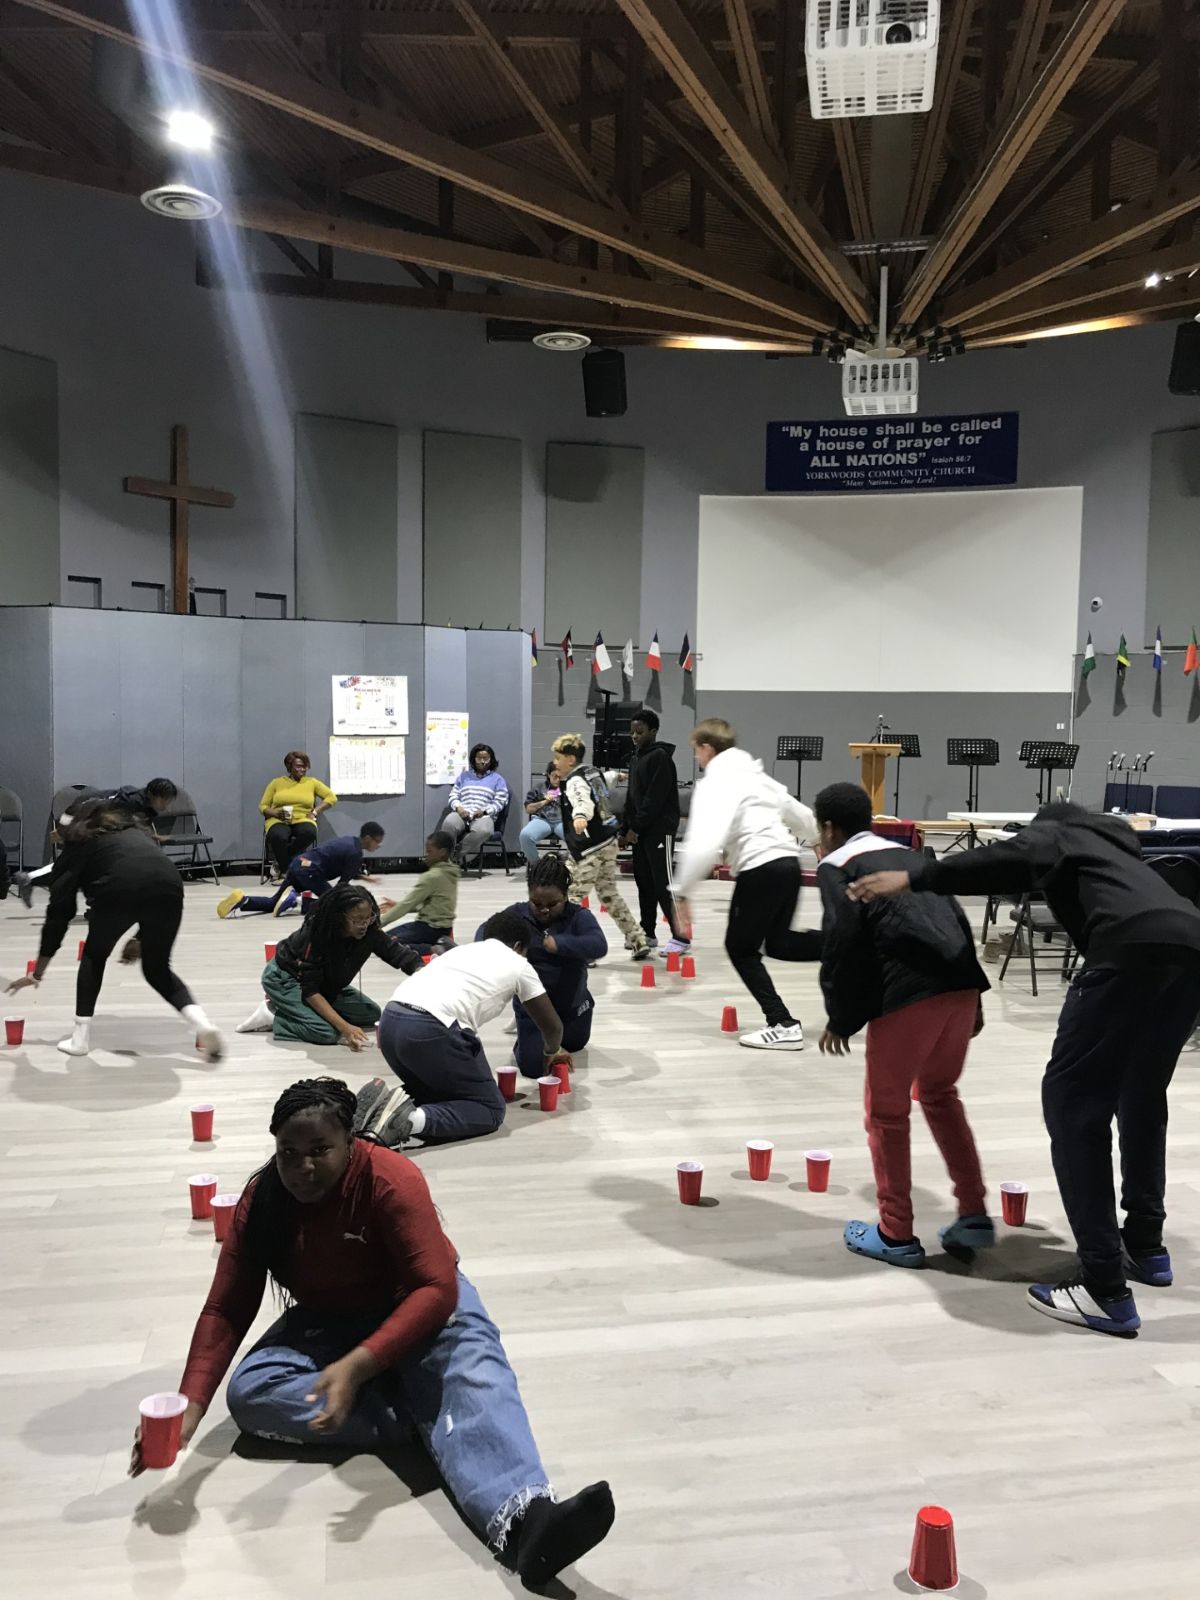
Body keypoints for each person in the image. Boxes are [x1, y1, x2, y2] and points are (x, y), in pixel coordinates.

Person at [130, 1076, 615, 1583]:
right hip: (330, 1318)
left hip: (419, 1306)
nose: (303, 1167)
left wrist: (358, 1366)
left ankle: (530, 1524)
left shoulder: (391, 1178)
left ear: (351, 1141)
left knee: (475, 1375)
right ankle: (423, 1413)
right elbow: (225, 1309)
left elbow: (436, 1288)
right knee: (253, 1394)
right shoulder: (264, 1200)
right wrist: (190, 1408)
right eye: (288, 1152)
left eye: (320, 1149)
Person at [849, 801, 1200, 1339]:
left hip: (1125, 951)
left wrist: (917, 874)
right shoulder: (1117, 846)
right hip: (1189, 948)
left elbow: (1002, 858)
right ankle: (1146, 1248)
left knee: (1072, 1108)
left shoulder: (1059, 834)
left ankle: (1103, 1288)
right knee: (1142, 1095)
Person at [812, 782, 992, 1268]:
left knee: (886, 1113)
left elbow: (843, 940)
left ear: (828, 828)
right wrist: (973, 1000)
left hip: (907, 997)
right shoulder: (911, 855)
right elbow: (954, 916)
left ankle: (895, 1233)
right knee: (938, 1094)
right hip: (959, 988)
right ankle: (973, 1212)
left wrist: (841, 1016)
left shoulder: (837, 865)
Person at [5, 803, 223, 1060]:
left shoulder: (78, 847)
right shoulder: (135, 832)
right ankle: (202, 1024)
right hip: (170, 883)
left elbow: (59, 916)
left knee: (94, 956)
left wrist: (37, 972)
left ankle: (80, 1038)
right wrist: (141, 936)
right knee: (157, 969)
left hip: (117, 888)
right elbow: (148, 877)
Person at [355, 908, 567, 1148]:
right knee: (490, 1109)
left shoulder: (461, 951)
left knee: (439, 1094)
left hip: (391, 1022)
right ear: (519, 945)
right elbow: (553, 1027)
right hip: (429, 1028)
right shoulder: (519, 964)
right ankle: (407, 1121)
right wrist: (552, 1052)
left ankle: (380, 1106)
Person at [673, 718, 819, 1050]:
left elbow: (704, 841)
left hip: (760, 868)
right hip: (788, 864)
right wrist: (815, 839)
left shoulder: (715, 782)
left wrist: (682, 890)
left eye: (697, 751)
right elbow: (800, 815)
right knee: (778, 943)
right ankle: (845, 945)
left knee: (740, 948)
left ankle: (782, 1023)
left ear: (707, 749)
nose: (698, 759)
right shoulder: (758, 777)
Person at [235, 884, 420, 1046]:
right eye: (357, 920)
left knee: (371, 1014)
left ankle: (302, 1013)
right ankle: (272, 1015)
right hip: (286, 977)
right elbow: (310, 991)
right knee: (326, 1033)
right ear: (339, 917)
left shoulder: (369, 932)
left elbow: (399, 955)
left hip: (325, 983)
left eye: (368, 918)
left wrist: (424, 972)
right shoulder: (317, 936)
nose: (364, 925)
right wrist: (345, 1027)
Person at [478, 856, 606, 1078]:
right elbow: (484, 932)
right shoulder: (518, 915)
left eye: (552, 904)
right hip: (534, 1011)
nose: (544, 910)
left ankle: (545, 1037)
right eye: (536, 904)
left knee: (576, 1045)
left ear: (565, 897)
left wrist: (562, 944)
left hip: (574, 1009)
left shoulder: (578, 916)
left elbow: (599, 946)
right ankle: (525, 1039)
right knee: (534, 1069)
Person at [551, 733, 650, 960]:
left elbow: (582, 800)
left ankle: (577, 949)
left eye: (558, 758)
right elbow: (605, 779)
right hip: (608, 842)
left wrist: (580, 817)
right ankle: (637, 939)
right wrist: (618, 775)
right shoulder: (591, 771)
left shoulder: (575, 780)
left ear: (571, 760)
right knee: (609, 894)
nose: (555, 763)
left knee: (572, 896)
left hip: (589, 849)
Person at [13, 777, 178, 905]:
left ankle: (29, 879)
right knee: (73, 865)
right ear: (153, 795)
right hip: (82, 822)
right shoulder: (130, 801)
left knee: (82, 865)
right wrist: (65, 829)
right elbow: (86, 805)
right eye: (165, 801)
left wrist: (153, 837)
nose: (167, 806)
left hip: (92, 827)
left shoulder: (145, 807)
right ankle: (29, 879)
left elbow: (138, 826)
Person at [620, 708, 686, 959]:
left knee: (663, 885)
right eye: (632, 732)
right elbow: (632, 798)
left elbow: (653, 800)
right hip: (641, 832)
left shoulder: (660, 757)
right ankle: (647, 932)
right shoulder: (636, 758)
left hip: (659, 831)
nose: (634, 736)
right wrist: (626, 829)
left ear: (653, 732)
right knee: (644, 883)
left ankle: (681, 937)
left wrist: (636, 828)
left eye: (639, 732)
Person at [217, 823, 385, 919]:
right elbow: (342, 886)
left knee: (274, 903)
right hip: (310, 871)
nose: (379, 846)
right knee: (332, 905)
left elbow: (348, 869)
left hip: (299, 864)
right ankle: (296, 902)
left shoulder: (350, 842)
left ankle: (242, 901)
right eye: (378, 842)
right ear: (368, 839)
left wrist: (366, 879)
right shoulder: (355, 853)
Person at [379, 830, 460, 955]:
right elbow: (432, 905)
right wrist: (397, 904)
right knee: (385, 938)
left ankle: (437, 949)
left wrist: (377, 924)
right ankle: (440, 942)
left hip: (430, 928)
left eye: (429, 852)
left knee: (387, 944)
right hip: (442, 928)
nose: (426, 855)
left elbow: (406, 905)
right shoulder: (451, 872)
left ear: (442, 853)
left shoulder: (432, 876)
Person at [260, 751, 337, 878]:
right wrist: (275, 813)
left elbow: (331, 797)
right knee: (278, 836)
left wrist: (315, 812)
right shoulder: (276, 783)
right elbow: (262, 806)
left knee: (310, 832)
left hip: (302, 818)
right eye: (298, 766)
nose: (302, 769)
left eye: (304, 766)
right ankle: (286, 871)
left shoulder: (311, 782)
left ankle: (280, 861)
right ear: (289, 767)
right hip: (279, 819)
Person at [441, 743, 508, 866]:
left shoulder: (498, 779)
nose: (482, 762)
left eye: (486, 758)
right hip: (462, 812)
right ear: (473, 759)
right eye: (479, 758)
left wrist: (485, 811)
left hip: (484, 815)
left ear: (491, 760)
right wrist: (459, 808)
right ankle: (445, 862)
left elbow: (500, 801)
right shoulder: (464, 776)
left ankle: (455, 856)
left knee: (484, 830)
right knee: (449, 822)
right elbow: (453, 795)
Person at [519, 763, 565, 866]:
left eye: (560, 777)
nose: (558, 780)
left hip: (563, 821)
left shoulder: (568, 788)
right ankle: (537, 866)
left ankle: (566, 865)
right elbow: (529, 809)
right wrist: (544, 801)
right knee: (525, 835)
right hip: (542, 820)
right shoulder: (539, 788)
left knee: (578, 836)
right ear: (548, 775)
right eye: (555, 776)